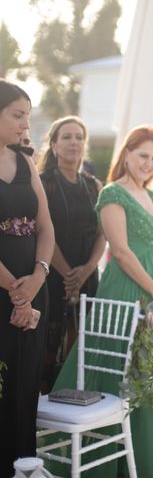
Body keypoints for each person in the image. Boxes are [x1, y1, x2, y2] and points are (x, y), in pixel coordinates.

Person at [48, 126, 153, 477]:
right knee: (120, 372)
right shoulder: (113, 194)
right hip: (126, 292)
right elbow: (122, 253)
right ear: (126, 154)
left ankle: (150, 459)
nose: (148, 163)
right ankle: (111, 460)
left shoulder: (151, 195)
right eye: (143, 155)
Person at [0, 79, 55, 477]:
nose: (25, 125)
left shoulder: (25, 163)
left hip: (36, 290)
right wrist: (16, 294)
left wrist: (38, 276)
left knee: (23, 392)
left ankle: (24, 468)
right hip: (7, 294)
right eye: (17, 115)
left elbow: (46, 227)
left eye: (27, 117)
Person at [38, 116, 106, 392]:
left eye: (79, 137)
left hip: (88, 274)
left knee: (81, 344)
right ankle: (47, 404)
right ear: (54, 145)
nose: (74, 142)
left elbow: (103, 233)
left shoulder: (95, 186)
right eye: (66, 137)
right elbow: (43, 231)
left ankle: (77, 396)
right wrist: (68, 275)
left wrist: (88, 268)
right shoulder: (43, 183)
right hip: (51, 274)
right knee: (50, 345)